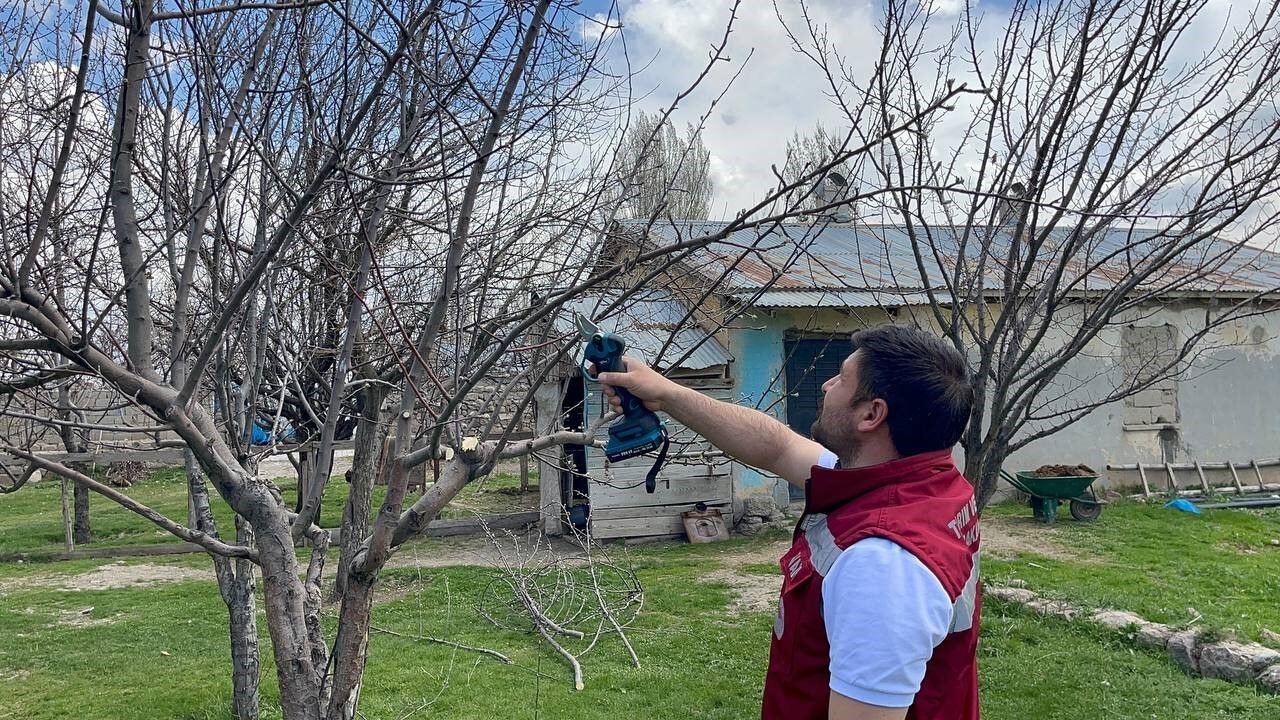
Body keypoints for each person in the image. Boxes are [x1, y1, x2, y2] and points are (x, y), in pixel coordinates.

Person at [597, 324, 979, 720]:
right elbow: (778, 447)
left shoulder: (882, 565)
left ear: (871, 414)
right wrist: (665, 393)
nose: (827, 385)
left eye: (841, 378)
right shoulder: (928, 486)